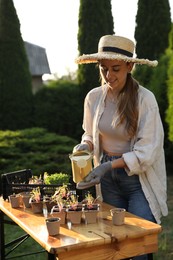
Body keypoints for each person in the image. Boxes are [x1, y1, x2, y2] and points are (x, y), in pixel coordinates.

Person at [73, 35, 168, 260]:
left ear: (130, 66)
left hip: (138, 182)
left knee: (136, 245)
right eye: (103, 68)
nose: (108, 76)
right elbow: (90, 133)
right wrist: (85, 145)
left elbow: (148, 151)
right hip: (107, 180)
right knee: (114, 245)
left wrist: (109, 166)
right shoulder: (94, 97)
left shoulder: (145, 100)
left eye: (115, 68)